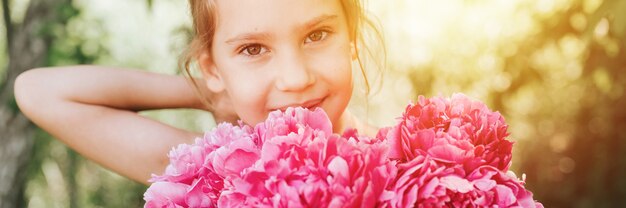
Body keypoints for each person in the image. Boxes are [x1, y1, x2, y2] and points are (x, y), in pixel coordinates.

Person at [13, 0, 383, 185]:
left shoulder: (412, 166)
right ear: (212, 68)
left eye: (316, 35)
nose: (295, 78)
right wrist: (212, 95)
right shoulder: (212, 172)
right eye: (253, 49)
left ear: (351, 37)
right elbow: (37, 91)